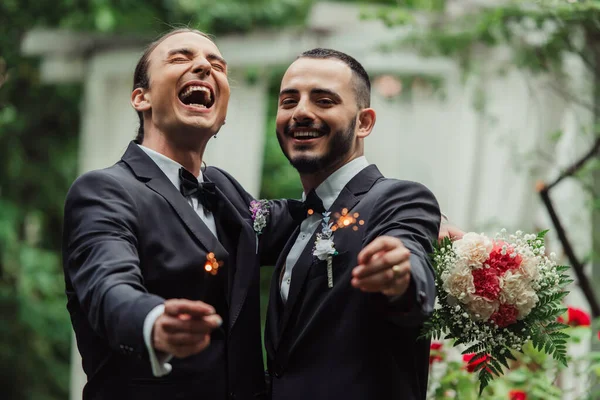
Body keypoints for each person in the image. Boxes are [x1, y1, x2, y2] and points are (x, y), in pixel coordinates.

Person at [62, 28, 295, 400]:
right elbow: (107, 286)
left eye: (217, 65)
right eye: (180, 58)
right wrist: (153, 321)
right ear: (142, 97)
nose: (205, 66)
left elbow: (306, 217)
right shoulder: (104, 191)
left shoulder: (228, 191)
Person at [264, 48, 442, 400]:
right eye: (288, 101)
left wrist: (401, 275)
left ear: (364, 122)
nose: (300, 112)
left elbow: (408, 250)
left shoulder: (399, 199)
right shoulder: (293, 219)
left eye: (324, 101)